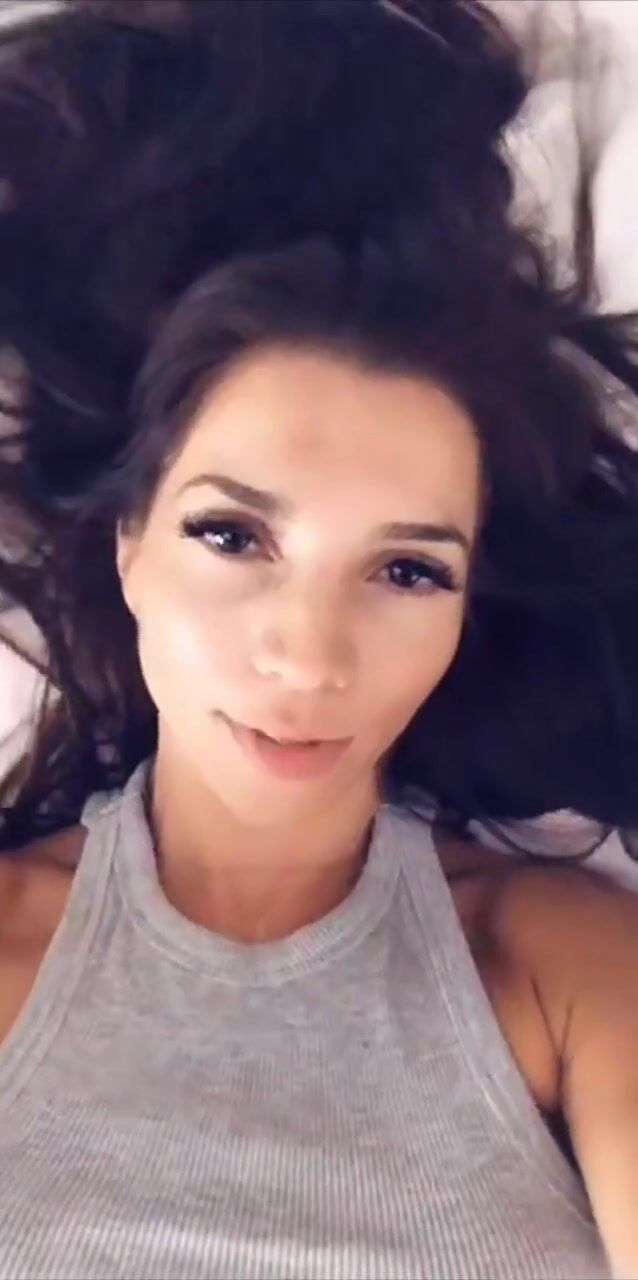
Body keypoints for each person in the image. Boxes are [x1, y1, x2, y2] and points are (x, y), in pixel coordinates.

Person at [1, 4, 638, 1279]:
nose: (308, 656)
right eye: (232, 536)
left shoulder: (557, 963)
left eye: (405, 569)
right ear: (128, 544)